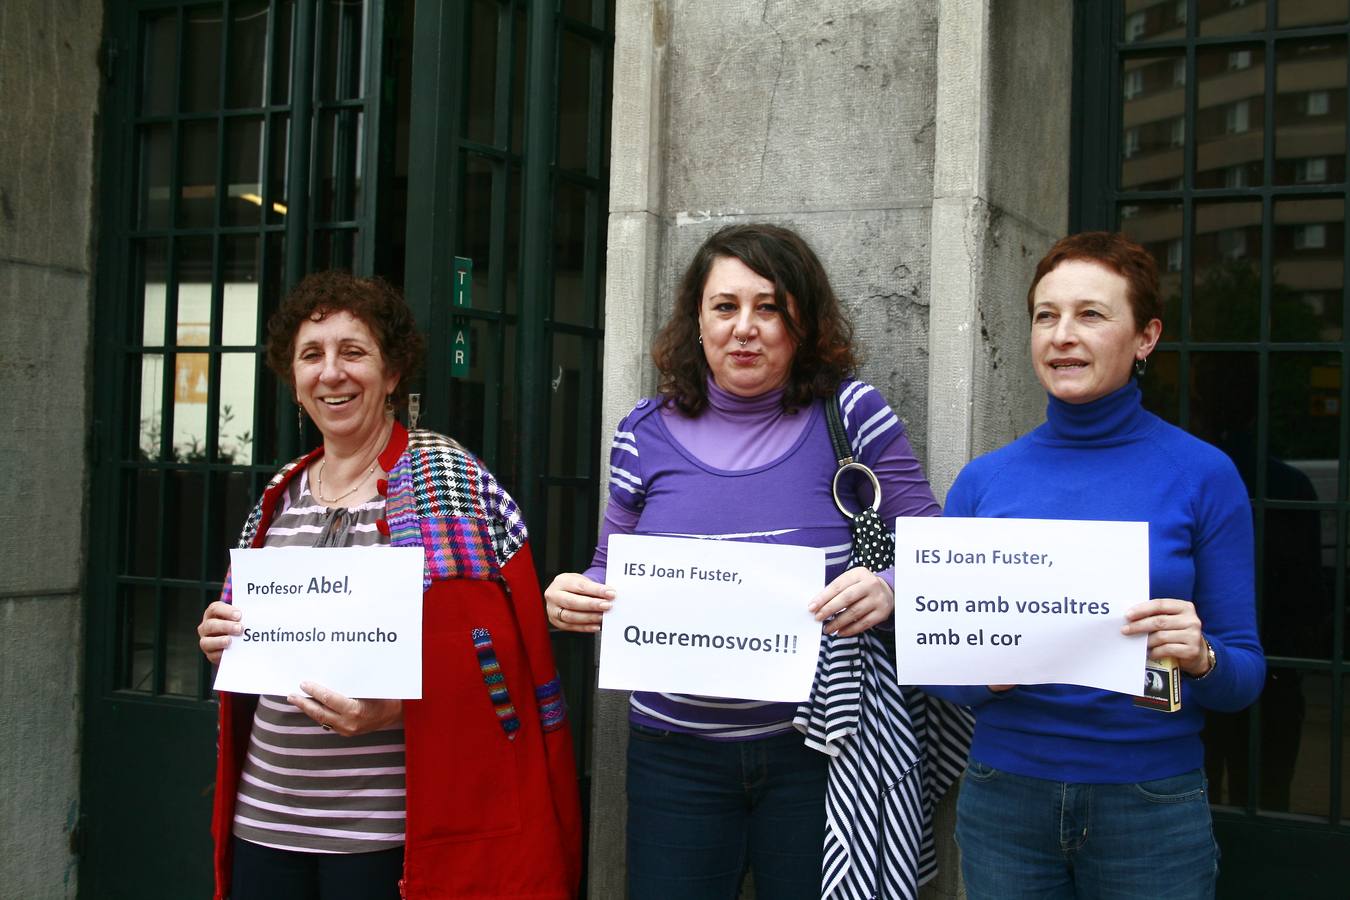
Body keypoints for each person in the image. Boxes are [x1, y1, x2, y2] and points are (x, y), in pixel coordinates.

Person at [546, 223, 968, 899]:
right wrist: (574, 594)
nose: (745, 328)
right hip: (672, 754)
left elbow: (940, 550)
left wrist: (889, 587)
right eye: (725, 307)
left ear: (803, 319)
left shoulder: (852, 414)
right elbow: (608, 570)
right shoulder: (642, 432)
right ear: (697, 321)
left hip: (816, 750)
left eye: (769, 307)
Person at [197, 272, 581, 900]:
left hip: (385, 836)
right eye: (312, 356)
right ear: (293, 380)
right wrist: (220, 638)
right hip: (264, 821)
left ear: (393, 372)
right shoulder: (277, 496)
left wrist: (403, 708)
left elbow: (505, 657)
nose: (332, 373)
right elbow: (247, 634)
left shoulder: (454, 484)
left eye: (354, 352)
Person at [928, 232, 1265, 899]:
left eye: (1091, 314)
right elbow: (946, 673)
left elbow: (1244, 675)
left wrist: (1201, 657)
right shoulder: (983, 483)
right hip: (1005, 798)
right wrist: (984, 671)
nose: (1062, 335)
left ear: (1146, 337)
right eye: (1046, 315)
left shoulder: (1203, 476)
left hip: (1151, 801)